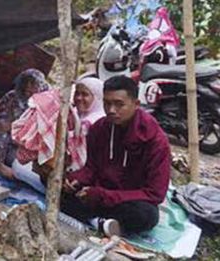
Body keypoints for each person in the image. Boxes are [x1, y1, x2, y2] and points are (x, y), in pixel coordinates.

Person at [62, 75, 170, 236]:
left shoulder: (156, 141)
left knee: (146, 216)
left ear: (136, 104)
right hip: (100, 193)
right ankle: (99, 223)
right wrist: (77, 180)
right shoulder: (99, 128)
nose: (112, 110)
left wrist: (103, 196)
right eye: (107, 103)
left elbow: (155, 193)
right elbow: (91, 167)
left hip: (128, 200)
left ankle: (95, 219)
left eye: (119, 104)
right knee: (59, 190)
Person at [0, 69, 49, 188]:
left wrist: (17, 132)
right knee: (2, 132)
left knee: (22, 167)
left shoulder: (46, 104)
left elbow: (42, 135)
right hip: (7, 142)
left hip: (29, 148)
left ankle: (13, 173)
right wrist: (5, 126)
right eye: (25, 83)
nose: (28, 87)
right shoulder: (11, 97)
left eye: (33, 84)